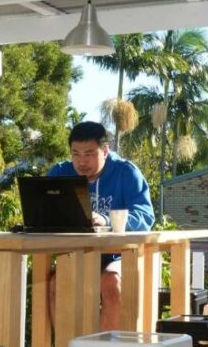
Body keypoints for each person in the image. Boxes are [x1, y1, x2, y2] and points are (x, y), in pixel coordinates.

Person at [47, 121, 154, 329]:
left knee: (110, 282)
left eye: (89, 153)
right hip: (78, 254)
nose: (81, 161)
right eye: (75, 154)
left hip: (120, 255)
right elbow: (44, 210)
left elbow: (145, 216)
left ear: (105, 150)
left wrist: (106, 220)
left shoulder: (126, 172)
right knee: (55, 284)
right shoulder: (60, 173)